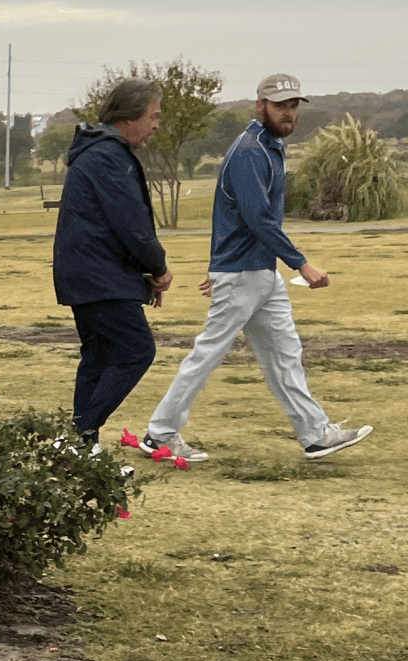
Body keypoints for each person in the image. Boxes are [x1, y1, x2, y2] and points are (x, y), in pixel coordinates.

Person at [138, 75, 373, 464]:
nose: (288, 113)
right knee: (209, 354)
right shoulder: (250, 151)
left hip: (258, 273)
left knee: (285, 354)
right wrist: (301, 264)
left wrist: (221, 265)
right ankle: (159, 434)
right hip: (244, 273)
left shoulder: (269, 146)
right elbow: (257, 218)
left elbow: (233, 215)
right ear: (260, 105)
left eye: (293, 106)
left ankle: (315, 435)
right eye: (280, 105)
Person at [51, 76, 173, 445]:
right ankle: (78, 434)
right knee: (137, 350)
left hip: (86, 276)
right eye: (153, 116)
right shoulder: (109, 156)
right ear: (129, 116)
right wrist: (158, 268)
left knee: (99, 356)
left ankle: (82, 446)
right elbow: (132, 225)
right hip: (99, 278)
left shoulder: (97, 151)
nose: (156, 125)